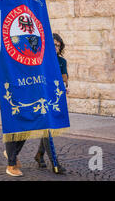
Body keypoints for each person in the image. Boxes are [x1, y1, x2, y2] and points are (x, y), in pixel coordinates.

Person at [34, 33, 68, 175]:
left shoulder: (62, 62)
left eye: (58, 45)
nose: (55, 47)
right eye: (53, 44)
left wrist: (64, 86)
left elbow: (64, 78)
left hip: (55, 99)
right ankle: (55, 163)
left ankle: (39, 155)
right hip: (42, 99)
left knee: (47, 129)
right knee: (48, 129)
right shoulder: (42, 60)